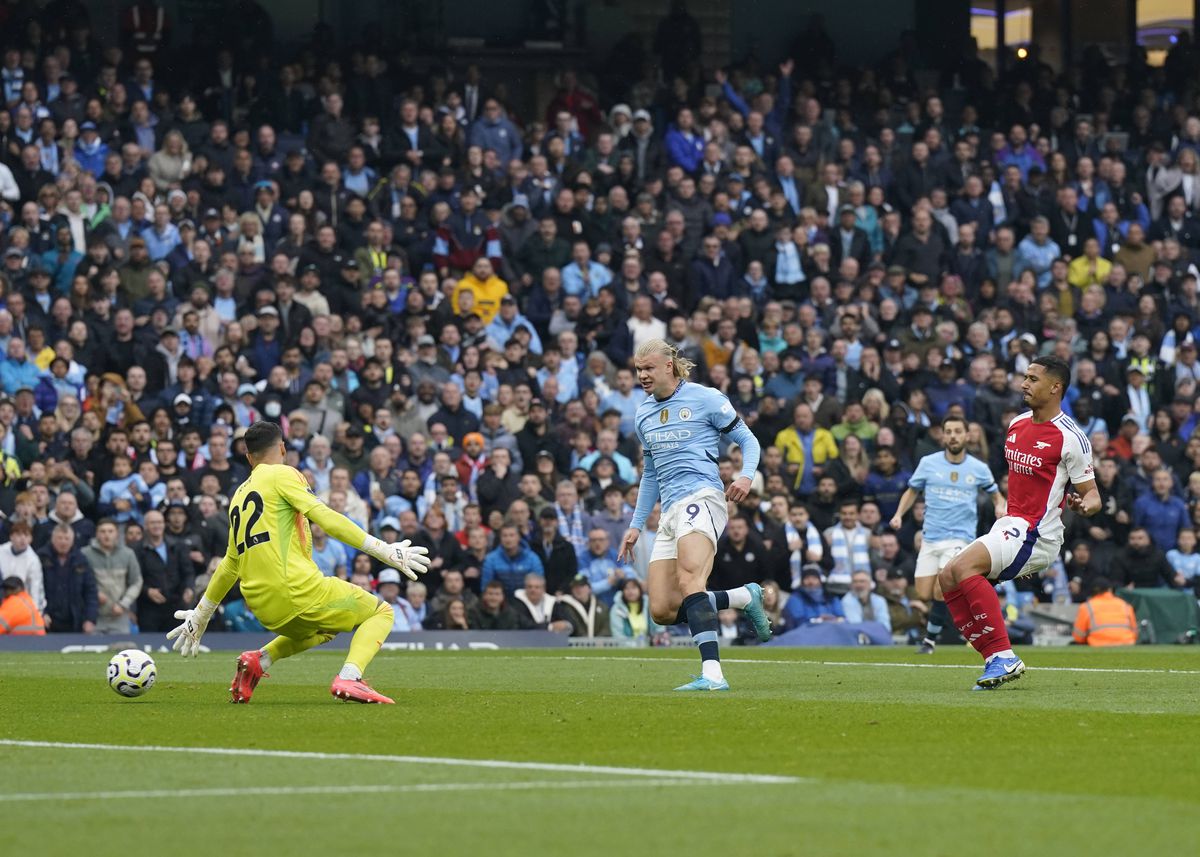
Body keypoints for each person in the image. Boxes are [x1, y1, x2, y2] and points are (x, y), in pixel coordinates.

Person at [165, 421, 431, 704]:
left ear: (248, 457)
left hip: (263, 608)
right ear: (282, 448)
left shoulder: (238, 496)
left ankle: (259, 661)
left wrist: (201, 613)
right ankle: (350, 678)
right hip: (298, 591)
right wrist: (384, 550)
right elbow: (325, 516)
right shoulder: (283, 474)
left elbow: (231, 563)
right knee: (381, 612)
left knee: (326, 628)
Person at [939, 356, 1101, 689]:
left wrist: (1084, 506)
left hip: (1038, 534)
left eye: (1032, 379)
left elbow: (1093, 494)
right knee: (947, 577)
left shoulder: (1071, 437)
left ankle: (1004, 656)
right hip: (1011, 524)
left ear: (1055, 387)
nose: (1023, 384)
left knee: (965, 569)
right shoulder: (1017, 423)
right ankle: (993, 660)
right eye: (1024, 377)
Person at [618, 339, 769, 691]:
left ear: (668, 366)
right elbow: (651, 474)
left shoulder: (706, 398)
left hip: (702, 498)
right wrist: (635, 525)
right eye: (638, 369)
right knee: (663, 609)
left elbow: (748, 440)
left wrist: (746, 475)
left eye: (648, 368)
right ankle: (743, 598)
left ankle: (713, 675)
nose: (642, 375)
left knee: (689, 581)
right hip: (669, 510)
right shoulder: (643, 414)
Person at [890, 415, 1004, 655]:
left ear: (966, 435)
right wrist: (899, 514)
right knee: (924, 593)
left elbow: (996, 495)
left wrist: (999, 506)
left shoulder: (979, 468)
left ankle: (931, 641)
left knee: (940, 589)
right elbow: (912, 492)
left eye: (957, 431)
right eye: (948, 431)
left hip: (959, 538)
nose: (953, 436)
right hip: (931, 538)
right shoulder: (928, 463)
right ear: (942, 436)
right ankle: (968, 604)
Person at [1071, 577, 1138, 646]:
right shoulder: (1125, 605)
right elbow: (1135, 632)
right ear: (1110, 590)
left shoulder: (1086, 607)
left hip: (1098, 644)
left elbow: (1078, 637)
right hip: (1126, 643)